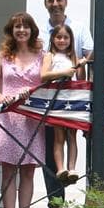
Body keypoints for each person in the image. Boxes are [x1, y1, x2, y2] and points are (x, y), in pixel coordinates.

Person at [0, 12, 45, 208]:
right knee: (9, 172)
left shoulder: (42, 56)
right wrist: (3, 99)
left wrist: (32, 94)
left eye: (25, 27)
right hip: (9, 117)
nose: (21, 31)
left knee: (28, 172)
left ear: (32, 30)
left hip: (31, 118)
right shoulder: (1, 56)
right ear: (11, 31)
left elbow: (47, 82)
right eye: (17, 27)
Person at [41, 0, 94, 208]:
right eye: (51, 0)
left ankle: (82, 197)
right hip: (47, 100)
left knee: (72, 139)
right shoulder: (38, 31)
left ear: (66, 1)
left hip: (75, 97)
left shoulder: (79, 28)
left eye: (59, 0)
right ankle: (56, 204)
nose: (55, 4)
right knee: (51, 148)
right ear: (45, 3)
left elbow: (90, 54)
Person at [39, 23, 87, 186]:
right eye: (58, 37)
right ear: (53, 39)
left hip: (72, 99)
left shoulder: (72, 56)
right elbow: (44, 75)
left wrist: (81, 65)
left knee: (72, 135)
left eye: (66, 37)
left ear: (70, 40)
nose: (62, 40)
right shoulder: (49, 56)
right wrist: (63, 73)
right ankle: (60, 168)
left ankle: (72, 168)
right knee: (59, 136)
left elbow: (80, 79)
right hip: (56, 99)